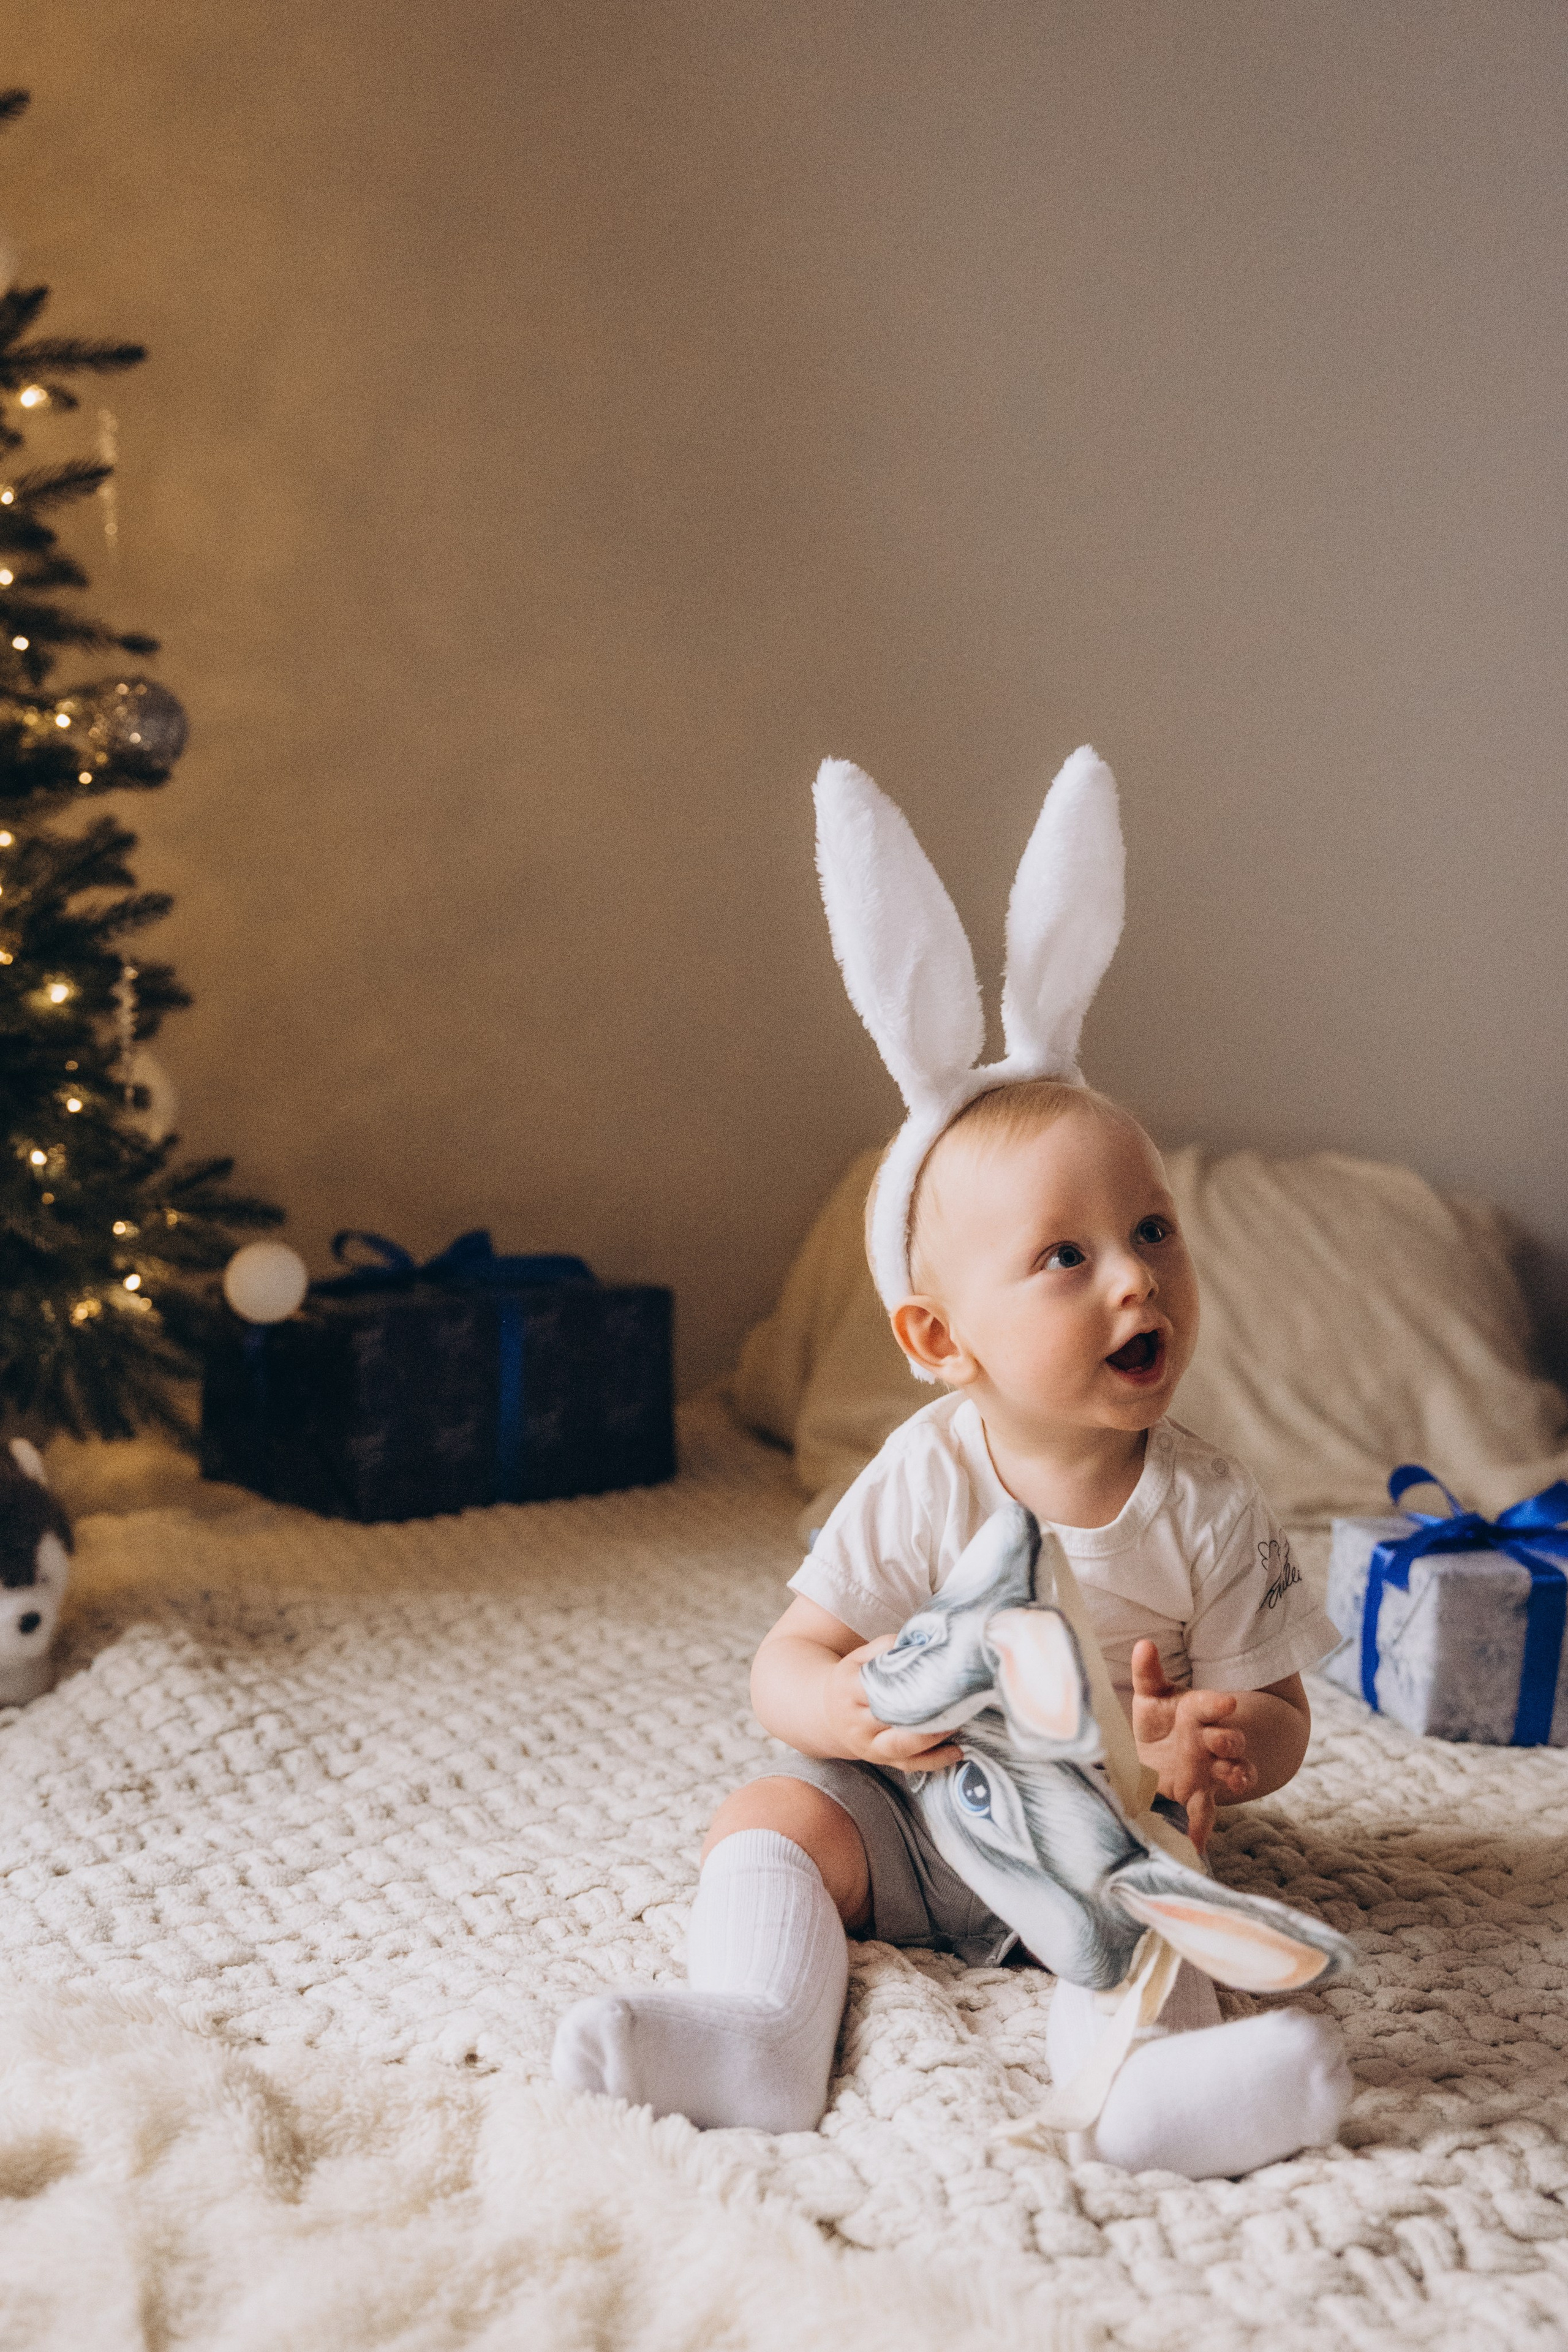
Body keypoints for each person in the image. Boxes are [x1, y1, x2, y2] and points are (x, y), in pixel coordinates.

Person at [553, 752, 1352, 2175]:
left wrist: (1226, 1746)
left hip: (1103, 1822)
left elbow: (1275, 1707)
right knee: (768, 1813)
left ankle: (1140, 2091)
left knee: (1162, 1879)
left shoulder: (1206, 1505)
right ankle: (757, 2032)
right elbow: (781, 1669)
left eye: (1152, 1231)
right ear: (937, 1336)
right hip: (911, 1814)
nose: (1134, 1282)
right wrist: (855, 1710)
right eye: (1065, 1256)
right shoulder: (926, 1475)